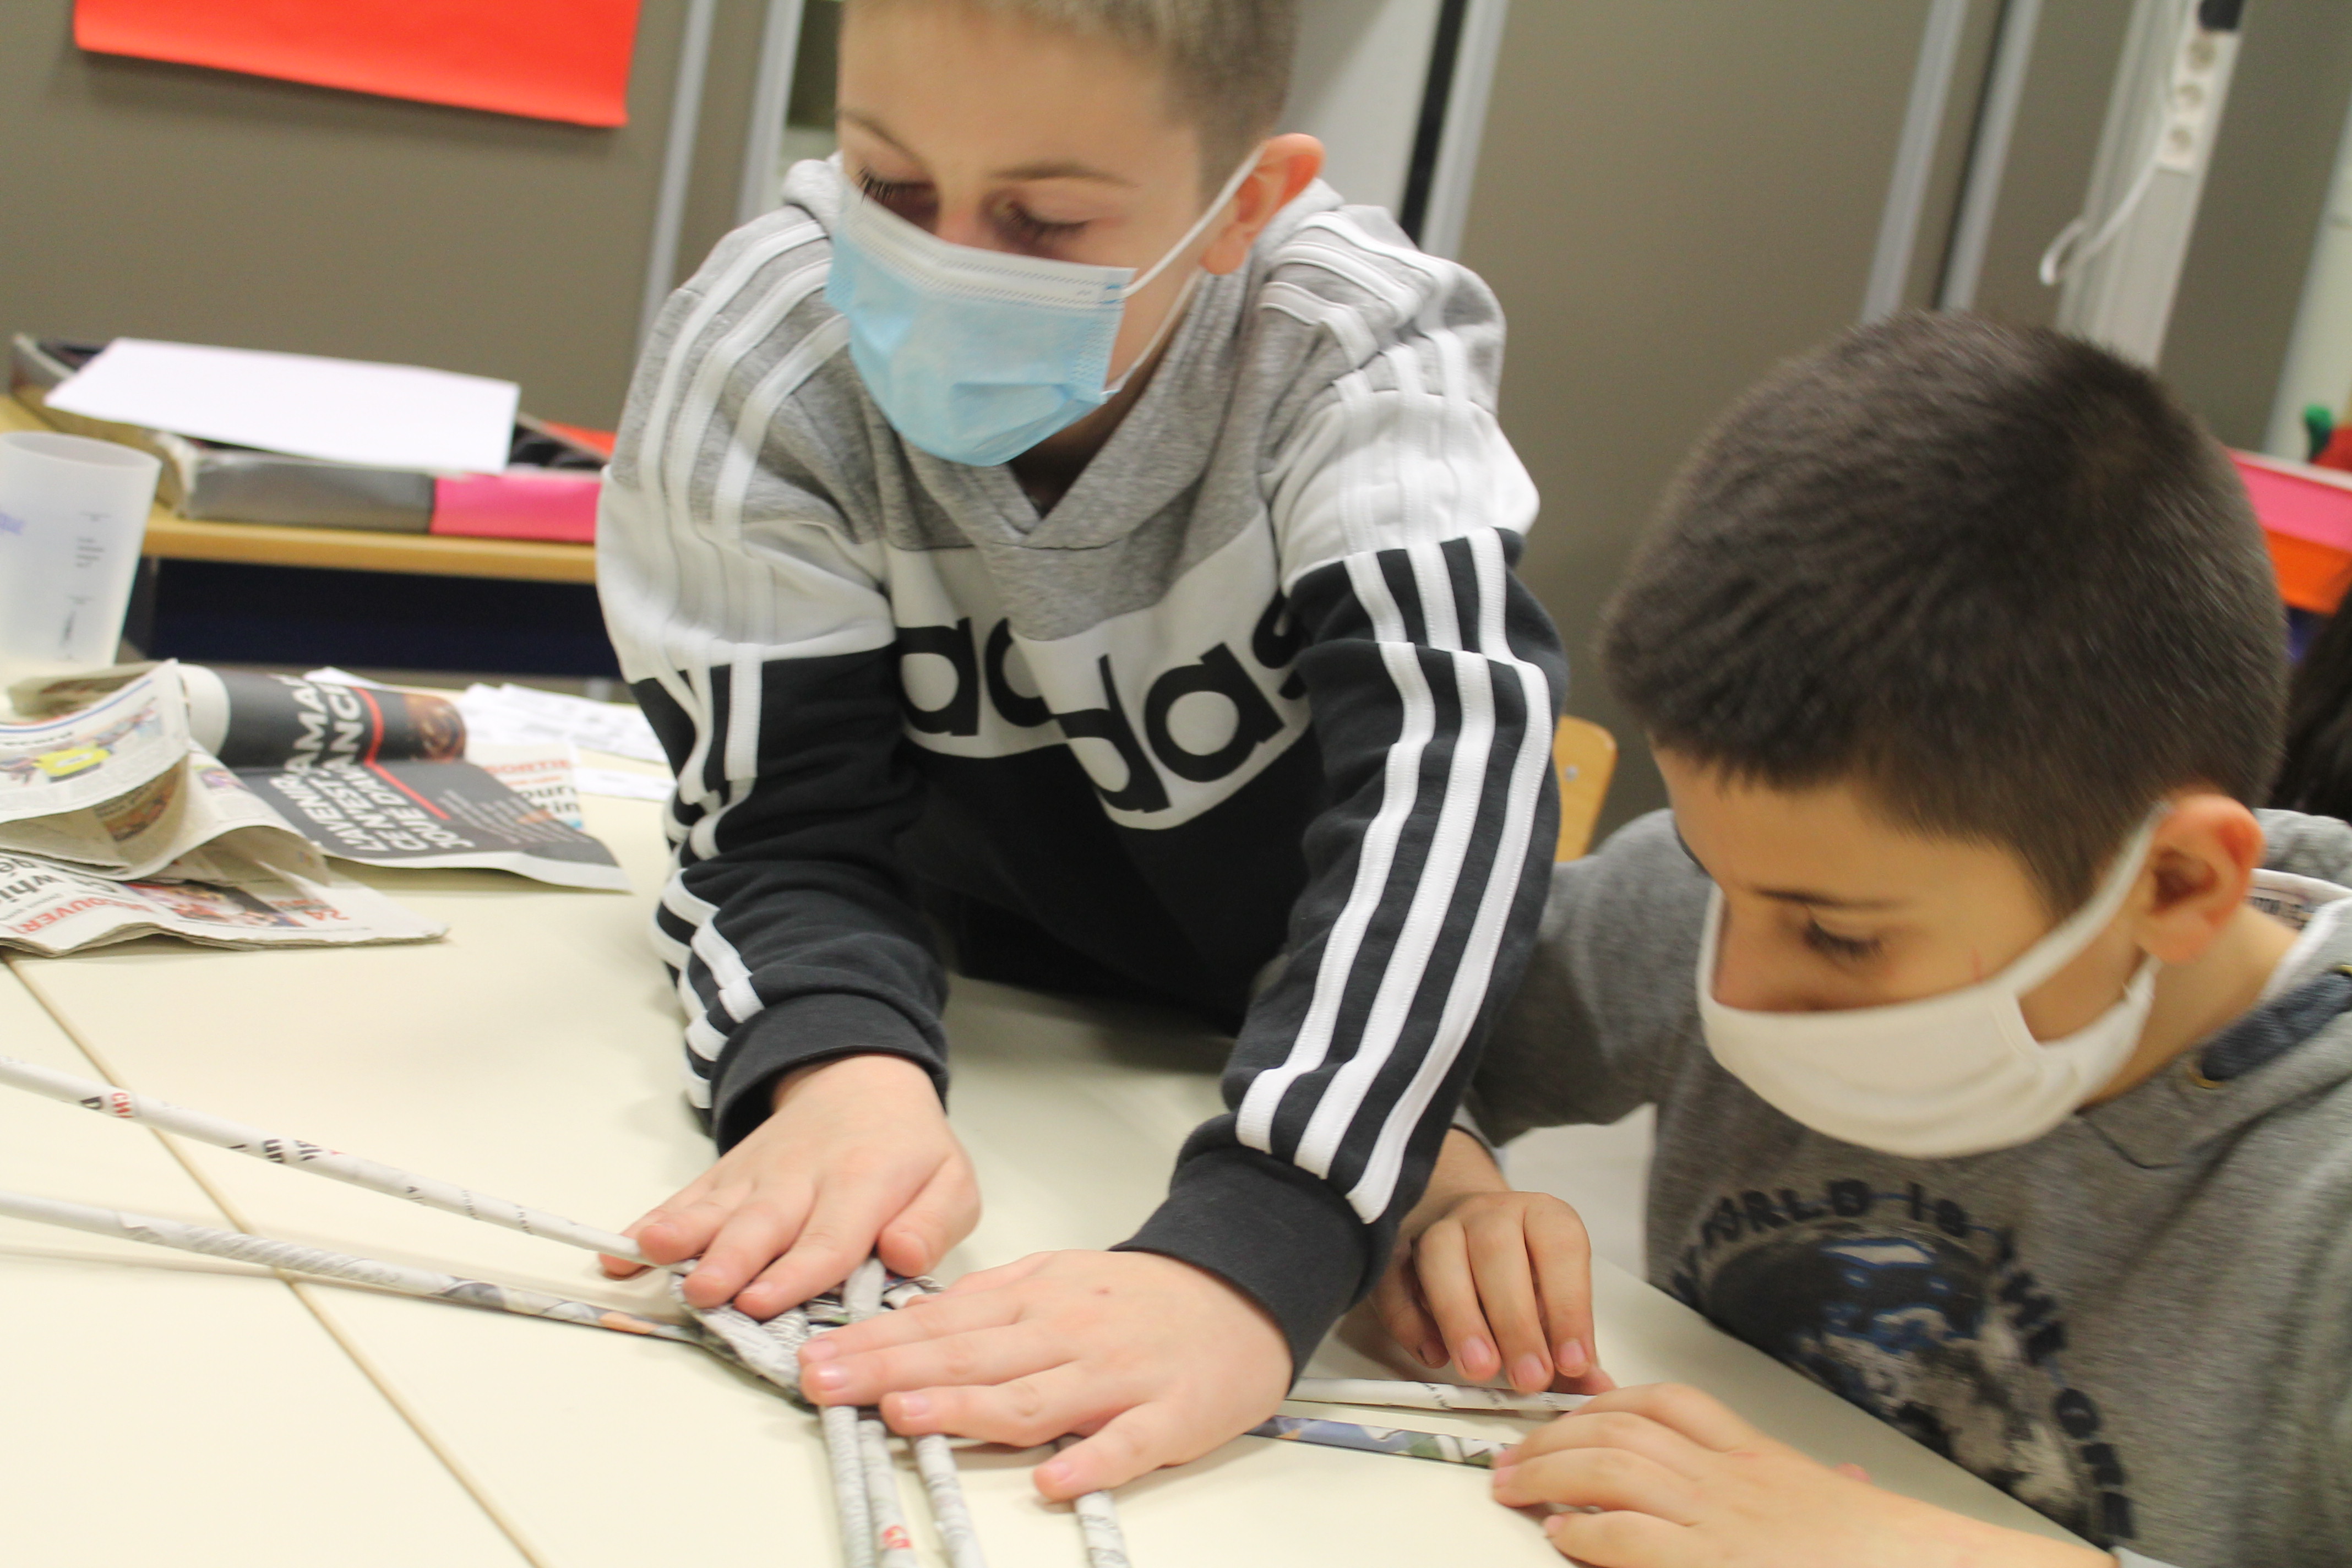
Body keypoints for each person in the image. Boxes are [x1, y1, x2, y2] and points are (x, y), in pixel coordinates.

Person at [595, 0, 1565, 1496]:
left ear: (1245, 203)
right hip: (979, 1001)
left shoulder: (1348, 343)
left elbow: (1456, 766)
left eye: (1044, 221)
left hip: (1303, 1016)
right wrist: (838, 1063)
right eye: (888, 185)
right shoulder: (764, 345)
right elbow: (772, 828)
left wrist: (1277, 1228)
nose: (943, 263)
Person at [1374, 313, 2349, 1567]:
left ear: (2175, 882)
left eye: (1838, 940)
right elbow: (1388, 1027)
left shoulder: (2318, 1196)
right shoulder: (1772, 877)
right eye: (1720, 883)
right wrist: (1450, 1192)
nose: (1736, 986)